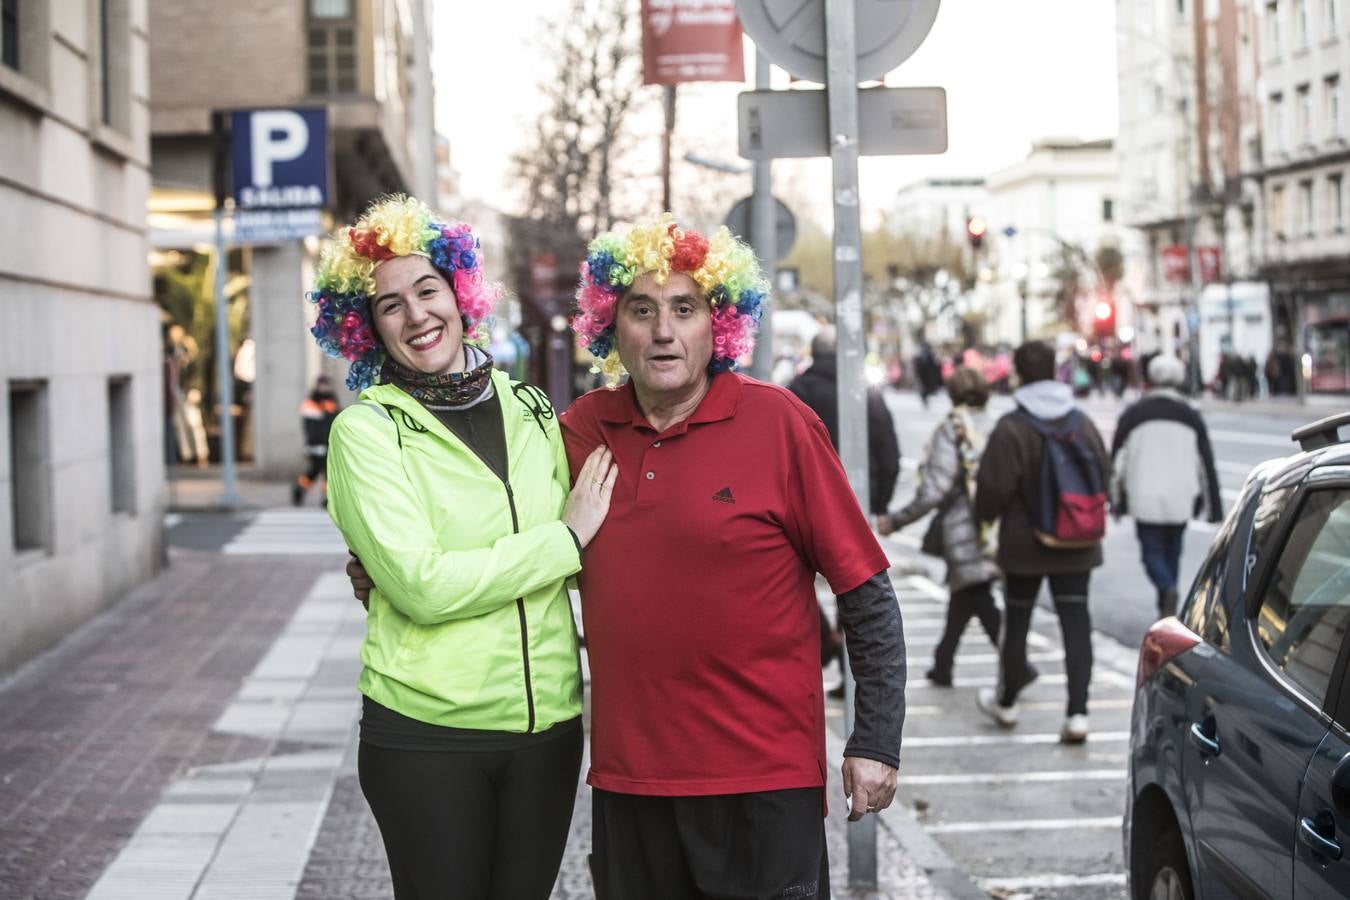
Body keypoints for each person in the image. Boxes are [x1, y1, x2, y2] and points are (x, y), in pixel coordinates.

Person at [564, 214, 906, 898]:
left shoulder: (780, 424)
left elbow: (866, 592)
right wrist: (379, 569)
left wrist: (875, 740)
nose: (663, 331)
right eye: (642, 309)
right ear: (611, 325)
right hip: (631, 782)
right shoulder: (578, 430)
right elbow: (507, 534)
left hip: (764, 783)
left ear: (716, 326)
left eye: (684, 309)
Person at [309, 195, 618, 900]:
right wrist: (561, 540)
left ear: (459, 292)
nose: (417, 315)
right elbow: (423, 586)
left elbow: (599, 547)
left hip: (548, 730)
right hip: (427, 735)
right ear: (366, 327)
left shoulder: (533, 409)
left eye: (428, 290)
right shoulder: (366, 434)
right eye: (390, 305)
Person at [973, 340, 1109, 744]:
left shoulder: (1012, 426)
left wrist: (985, 521)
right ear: (1055, 370)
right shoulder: (1080, 422)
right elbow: (1102, 473)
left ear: (1018, 373)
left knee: (1017, 621)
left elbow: (991, 491)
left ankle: (1009, 702)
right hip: (1078, 541)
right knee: (1077, 623)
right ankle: (1078, 714)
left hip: (1024, 544)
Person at [788, 325, 901, 694]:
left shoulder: (794, 392)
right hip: (855, 500)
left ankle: (827, 651)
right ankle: (848, 675)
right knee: (852, 585)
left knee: (797, 582)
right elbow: (888, 449)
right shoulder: (864, 392)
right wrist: (880, 503)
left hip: (801, 501)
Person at [878, 367, 1000, 686]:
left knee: (975, 590)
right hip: (995, 522)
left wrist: (897, 519)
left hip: (964, 525)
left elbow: (934, 489)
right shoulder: (996, 423)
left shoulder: (954, 428)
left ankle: (1016, 663)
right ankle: (943, 663)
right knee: (967, 590)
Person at [1110, 355, 1223, 618]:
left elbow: (1117, 462)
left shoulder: (1134, 413)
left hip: (1143, 496)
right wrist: (1213, 507)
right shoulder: (1190, 414)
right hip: (1182, 496)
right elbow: (1205, 464)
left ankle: (1166, 591)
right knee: (1173, 551)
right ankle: (1168, 602)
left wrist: (1115, 498)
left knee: (1151, 553)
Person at [291, 374, 339, 506]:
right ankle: (299, 489)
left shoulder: (332, 401)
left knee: (327, 471)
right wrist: (315, 443)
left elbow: (334, 420)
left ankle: (327, 498)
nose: (324, 388)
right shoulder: (311, 402)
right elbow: (310, 427)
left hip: (328, 443)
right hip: (316, 444)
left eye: (326, 385)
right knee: (314, 471)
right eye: (322, 385)